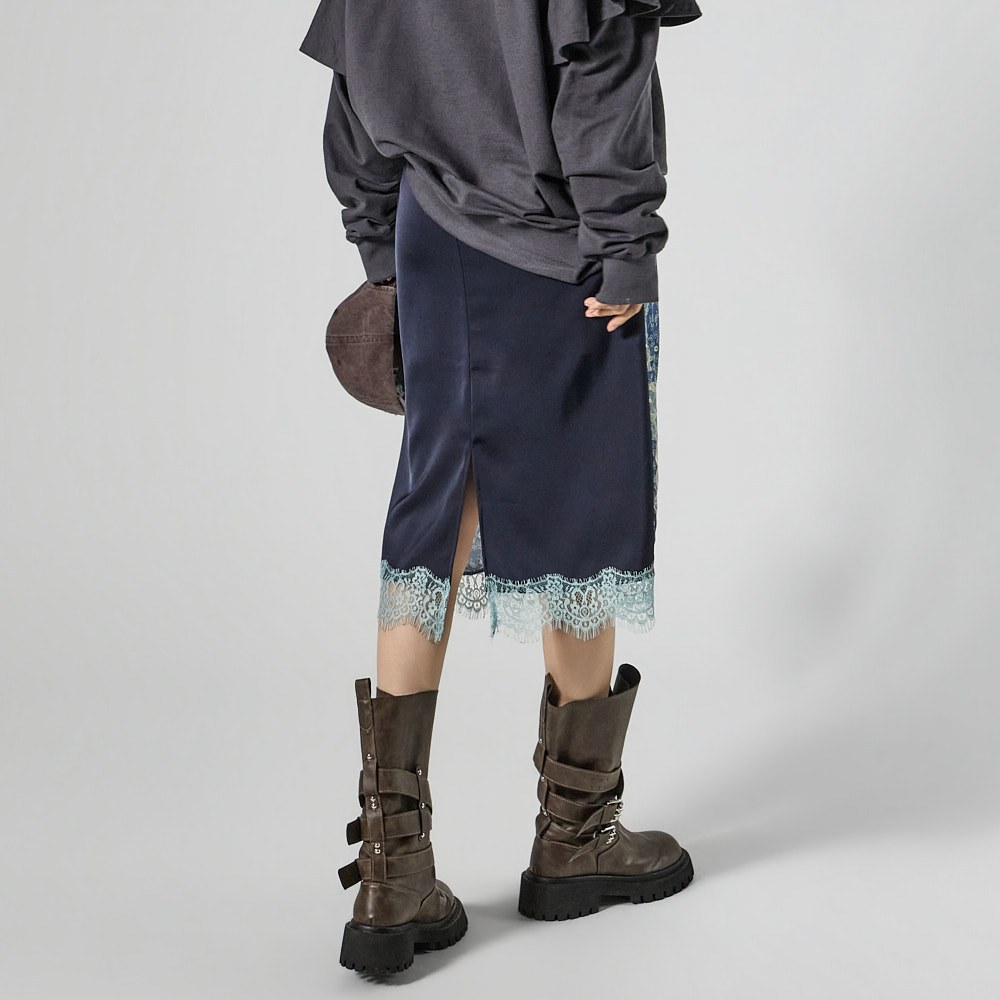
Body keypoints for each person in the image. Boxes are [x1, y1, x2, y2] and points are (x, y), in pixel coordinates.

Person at [299, 0, 704, 976]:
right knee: (582, 510)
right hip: (561, 253)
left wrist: (378, 240)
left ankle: (396, 867)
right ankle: (577, 833)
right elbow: (603, 68)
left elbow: (356, 81)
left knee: (435, 511)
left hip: (428, 234)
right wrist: (625, 241)